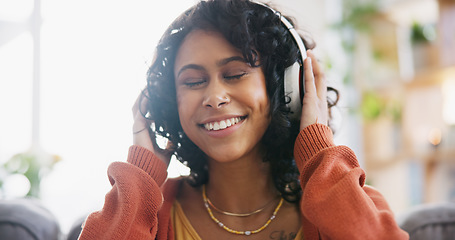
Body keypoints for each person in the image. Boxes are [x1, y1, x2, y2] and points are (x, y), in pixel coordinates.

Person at [78, 0, 409, 239]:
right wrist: (141, 177)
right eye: (193, 81)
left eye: (235, 73)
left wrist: (320, 154)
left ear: (287, 89)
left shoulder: (345, 200)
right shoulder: (153, 210)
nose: (214, 96)